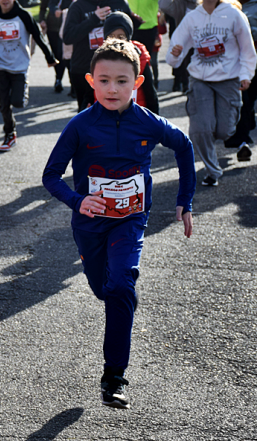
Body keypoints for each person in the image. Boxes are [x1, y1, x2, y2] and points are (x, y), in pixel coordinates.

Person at [42, 39, 196, 410]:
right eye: (105, 80)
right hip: (90, 225)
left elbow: (185, 146)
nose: (113, 89)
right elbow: (51, 176)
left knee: (122, 283)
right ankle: (117, 296)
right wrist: (79, 201)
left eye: (122, 81)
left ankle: (114, 377)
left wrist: (184, 201)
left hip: (130, 219)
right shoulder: (80, 126)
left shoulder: (146, 122)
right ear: (90, 80)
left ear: (137, 82)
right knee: (104, 288)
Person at [167, 0, 256, 186]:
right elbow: (175, 50)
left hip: (228, 79)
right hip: (200, 79)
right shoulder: (192, 17)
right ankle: (212, 170)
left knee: (225, 130)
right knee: (200, 129)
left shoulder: (233, 15)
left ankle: (213, 137)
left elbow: (247, 48)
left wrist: (246, 75)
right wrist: (175, 54)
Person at [0, 0, 57, 152]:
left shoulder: (23, 15)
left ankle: (23, 89)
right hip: (0, 65)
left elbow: (37, 36)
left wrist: (49, 57)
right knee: (3, 104)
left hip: (20, 66)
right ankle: (10, 133)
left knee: (18, 103)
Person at [63, 0, 134, 111]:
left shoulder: (120, 3)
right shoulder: (78, 5)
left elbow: (131, 35)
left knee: (115, 111)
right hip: (84, 69)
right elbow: (68, 37)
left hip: (116, 69)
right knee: (87, 114)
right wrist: (93, 19)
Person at [114, 0, 170, 90]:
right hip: (130, 27)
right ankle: (130, 87)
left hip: (149, 26)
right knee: (128, 59)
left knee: (147, 60)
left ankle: (150, 87)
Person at [224, 0, 257, 161]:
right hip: (235, 64)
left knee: (250, 101)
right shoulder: (227, 5)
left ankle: (244, 130)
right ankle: (242, 140)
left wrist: (249, 30)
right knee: (242, 102)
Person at [159, 0, 206, 93]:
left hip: (206, 48)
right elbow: (163, 4)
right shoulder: (180, 1)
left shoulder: (208, 1)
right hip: (187, 48)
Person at [102, 12, 159, 114]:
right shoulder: (99, 59)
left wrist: (155, 123)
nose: (116, 41)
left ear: (128, 38)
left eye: (121, 37)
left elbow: (150, 93)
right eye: (111, 36)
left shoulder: (140, 57)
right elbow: (89, 93)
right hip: (106, 118)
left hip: (136, 117)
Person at [48, 0, 88, 97]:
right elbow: (52, 3)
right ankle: (71, 85)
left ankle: (82, 86)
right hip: (67, 24)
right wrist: (56, 10)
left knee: (82, 55)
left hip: (85, 23)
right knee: (66, 56)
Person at [40, 0, 69, 92]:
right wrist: (42, 20)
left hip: (67, 25)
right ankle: (58, 79)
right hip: (52, 26)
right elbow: (43, 7)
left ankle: (67, 81)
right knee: (56, 54)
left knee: (64, 54)